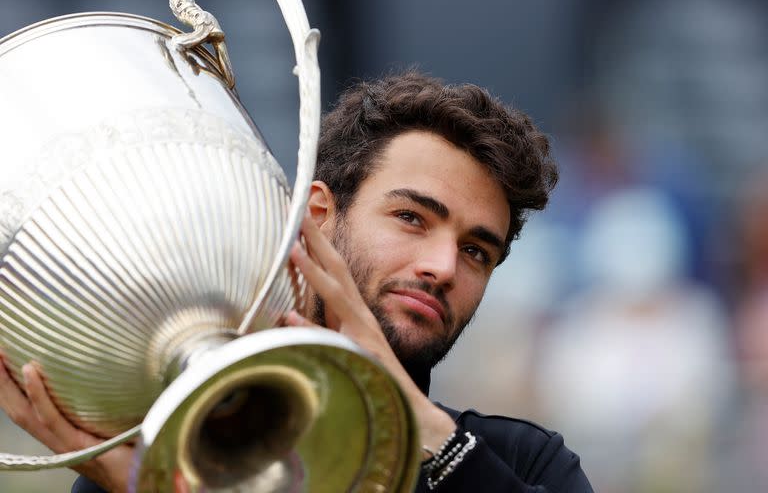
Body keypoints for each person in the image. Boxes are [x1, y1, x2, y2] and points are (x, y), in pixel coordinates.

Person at [0, 71, 593, 492]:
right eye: (411, 218)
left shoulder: (528, 465)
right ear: (316, 216)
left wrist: (427, 431)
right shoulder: (163, 450)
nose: (443, 267)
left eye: (476, 251)